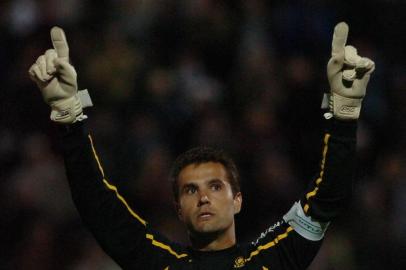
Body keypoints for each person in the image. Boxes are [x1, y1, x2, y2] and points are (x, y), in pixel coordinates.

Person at [28, 22, 375, 269]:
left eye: (215, 186)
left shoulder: (274, 258)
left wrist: (344, 113)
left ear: (237, 200)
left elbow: (326, 198)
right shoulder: (156, 261)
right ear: (179, 209)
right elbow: (97, 204)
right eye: (190, 191)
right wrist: (68, 115)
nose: (203, 197)